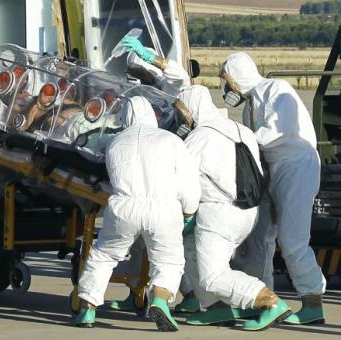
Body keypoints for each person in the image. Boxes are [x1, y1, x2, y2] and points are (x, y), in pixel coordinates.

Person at [74, 96, 201, 331]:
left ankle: (87, 308)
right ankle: (161, 300)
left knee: (104, 256)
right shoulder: (171, 140)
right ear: (152, 115)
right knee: (168, 260)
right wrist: (189, 211)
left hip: (124, 207)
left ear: (125, 117)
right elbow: (188, 182)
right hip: (163, 209)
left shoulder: (115, 142)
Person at [220, 52, 326, 325]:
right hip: (272, 170)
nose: (225, 87)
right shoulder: (249, 105)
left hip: (296, 167)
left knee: (292, 240)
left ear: (236, 76)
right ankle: (263, 299)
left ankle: (312, 302)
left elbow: (279, 131)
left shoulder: (277, 89)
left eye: (226, 79)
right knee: (259, 238)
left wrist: (241, 141)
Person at [179, 85, 291, 331]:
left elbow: (183, 181)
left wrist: (183, 213)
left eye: (182, 112)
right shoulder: (241, 129)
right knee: (190, 251)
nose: (182, 118)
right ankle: (216, 308)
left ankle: (269, 302)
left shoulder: (198, 137)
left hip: (217, 215)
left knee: (213, 276)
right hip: (248, 212)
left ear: (191, 109)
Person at [109, 36, 200, 315]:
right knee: (138, 240)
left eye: (142, 73)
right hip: (143, 173)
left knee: (173, 244)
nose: (138, 79)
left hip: (171, 172)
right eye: (134, 74)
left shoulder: (169, 90)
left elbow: (180, 76)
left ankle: (191, 294)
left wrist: (148, 57)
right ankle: (137, 292)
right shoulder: (132, 99)